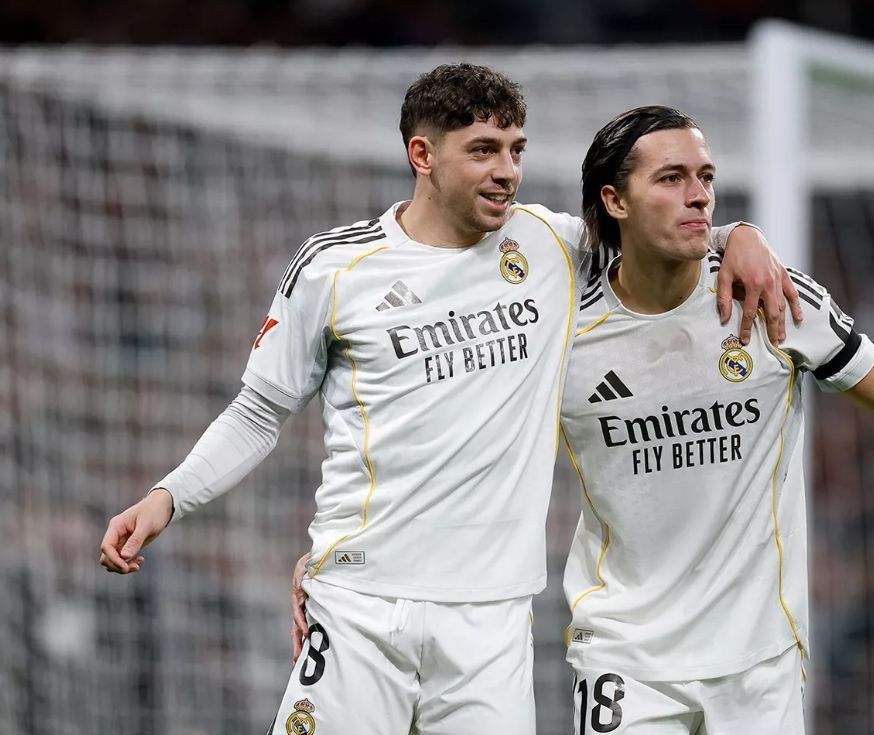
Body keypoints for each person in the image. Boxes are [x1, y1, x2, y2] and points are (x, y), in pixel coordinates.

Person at [98, 66, 800, 735]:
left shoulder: (549, 245)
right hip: (361, 603)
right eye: (483, 150)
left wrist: (739, 235)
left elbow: (657, 230)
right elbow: (258, 412)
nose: (507, 171)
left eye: (516, 149)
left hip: (492, 622)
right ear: (423, 155)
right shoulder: (334, 269)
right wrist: (169, 496)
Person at [552, 105, 874, 733]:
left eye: (706, 176)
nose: (699, 195)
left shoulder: (773, 299)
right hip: (625, 653)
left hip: (758, 656)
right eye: (671, 178)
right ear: (615, 200)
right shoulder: (563, 325)